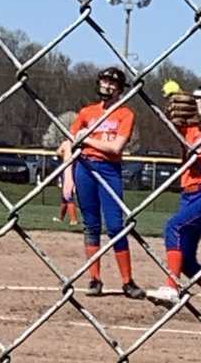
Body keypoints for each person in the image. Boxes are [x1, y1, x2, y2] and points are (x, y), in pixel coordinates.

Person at [58, 67, 145, 299]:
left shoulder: (125, 114)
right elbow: (68, 142)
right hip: (84, 168)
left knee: (116, 226)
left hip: (109, 170)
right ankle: (94, 279)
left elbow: (116, 147)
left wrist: (87, 138)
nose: (107, 86)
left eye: (112, 83)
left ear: (120, 89)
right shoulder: (87, 112)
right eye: (104, 81)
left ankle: (127, 281)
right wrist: (68, 171)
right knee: (91, 224)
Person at [148, 82, 201, 320]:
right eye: (198, 99)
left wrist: (198, 121)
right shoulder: (189, 126)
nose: (200, 103)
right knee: (185, 260)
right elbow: (174, 119)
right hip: (189, 193)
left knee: (173, 226)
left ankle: (172, 288)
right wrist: (173, 98)